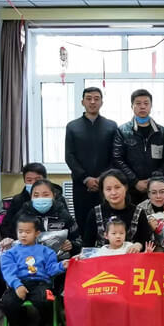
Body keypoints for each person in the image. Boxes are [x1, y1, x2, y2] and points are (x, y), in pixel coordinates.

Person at [0, 214, 69, 326]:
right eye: (20, 231)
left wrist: (61, 266)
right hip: (18, 283)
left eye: (27, 232)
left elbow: (51, 269)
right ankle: (16, 325)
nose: (23, 235)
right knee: (7, 303)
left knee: (45, 299)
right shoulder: (10, 253)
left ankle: (48, 323)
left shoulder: (46, 251)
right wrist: (17, 285)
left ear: (37, 233)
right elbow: (8, 272)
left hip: (40, 283)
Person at [94, 217, 153, 326]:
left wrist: (147, 255)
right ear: (106, 235)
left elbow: (140, 264)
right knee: (101, 303)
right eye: (114, 233)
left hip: (128, 287)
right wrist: (79, 258)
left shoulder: (129, 247)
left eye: (121, 233)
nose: (118, 236)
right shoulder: (102, 251)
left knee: (135, 301)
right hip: (108, 287)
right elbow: (91, 265)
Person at [65, 87, 118, 232]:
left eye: (96, 98)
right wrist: (85, 178)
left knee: (108, 223)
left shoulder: (111, 126)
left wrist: (103, 178)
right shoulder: (72, 126)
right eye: (89, 98)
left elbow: (115, 156)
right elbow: (69, 156)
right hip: (81, 184)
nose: (92, 102)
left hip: (106, 184)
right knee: (83, 222)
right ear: (82, 102)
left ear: (102, 102)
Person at [112, 89, 164, 205]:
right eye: (138, 103)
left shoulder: (161, 132)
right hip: (130, 188)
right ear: (132, 106)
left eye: (146, 103)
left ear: (151, 106)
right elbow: (117, 158)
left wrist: (153, 181)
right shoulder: (122, 131)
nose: (142, 106)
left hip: (155, 190)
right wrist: (135, 181)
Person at [2, 180, 81, 259]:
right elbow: (11, 237)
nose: (41, 198)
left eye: (46, 195)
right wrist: (8, 241)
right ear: (31, 197)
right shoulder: (22, 215)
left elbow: (78, 240)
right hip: (28, 260)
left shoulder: (63, 215)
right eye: (36, 195)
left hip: (58, 260)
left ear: (54, 195)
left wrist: (71, 245)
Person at [82, 169, 152, 255]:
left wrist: (138, 245)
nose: (113, 193)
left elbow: (146, 240)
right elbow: (87, 245)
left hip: (130, 259)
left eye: (117, 187)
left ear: (125, 187)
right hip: (102, 260)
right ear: (103, 191)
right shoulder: (94, 213)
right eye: (108, 189)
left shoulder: (139, 212)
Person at [0, 163, 66, 239]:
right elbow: (6, 227)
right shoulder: (18, 200)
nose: (34, 183)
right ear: (24, 181)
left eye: (38, 180)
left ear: (45, 179)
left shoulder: (58, 199)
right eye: (29, 180)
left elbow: (67, 225)